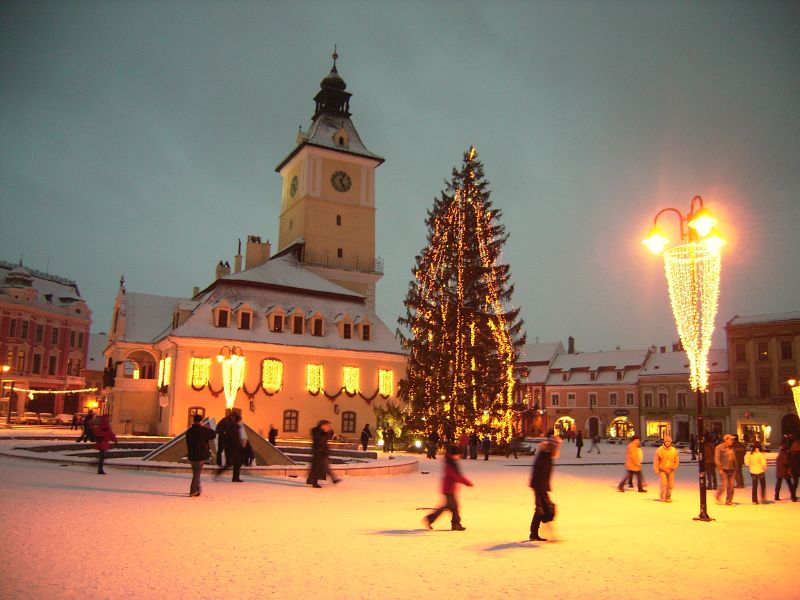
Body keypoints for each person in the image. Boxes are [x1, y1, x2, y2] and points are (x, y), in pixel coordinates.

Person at [423, 444, 473, 531]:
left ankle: (453, 523)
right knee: (453, 507)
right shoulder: (450, 463)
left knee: (452, 507)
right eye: (459, 454)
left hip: (449, 488)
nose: (460, 456)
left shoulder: (451, 461)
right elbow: (456, 476)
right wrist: (466, 482)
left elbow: (456, 475)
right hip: (449, 489)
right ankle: (453, 524)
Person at [529, 431, 561, 542]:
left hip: (540, 486)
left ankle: (535, 533)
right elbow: (539, 472)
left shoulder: (547, 454)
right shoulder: (545, 455)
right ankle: (534, 533)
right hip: (539, 486)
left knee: (542, 508)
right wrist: (541, 488)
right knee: (541, 509)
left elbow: (544, 473)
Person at [185, 414, 216, 497]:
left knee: (196, 472)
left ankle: (198, 489)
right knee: (197, 474)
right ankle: (192, 491)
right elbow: (213, 435)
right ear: (201, 421)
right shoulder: (204, 430)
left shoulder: (189, 431)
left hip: (192, 455)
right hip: (201, 455)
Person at [307, 420, 340, 488]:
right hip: (318, 452)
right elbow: (318, 440)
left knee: (321, 467)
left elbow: (329, 437)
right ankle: (333, 479)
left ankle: (332, 479)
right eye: (327, 425)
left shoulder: (323, 432)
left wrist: (330, 430)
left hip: (323, 452)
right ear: (322, 425)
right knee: (320, 467)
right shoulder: (316, 431)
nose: (328, 427)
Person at [216, 412, 246, 482]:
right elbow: (234, 437)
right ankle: (235, 477)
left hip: (230, 446)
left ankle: (234, 477)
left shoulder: (229, 423)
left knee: (234, 462)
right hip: (233, 446)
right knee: (235, 462)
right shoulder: (233, 425)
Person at [653, 435, 679, 502]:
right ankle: (662, 496)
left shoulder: (673, 450)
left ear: (671, 442)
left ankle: (668, 497)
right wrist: (656, 469)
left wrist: (673, 467)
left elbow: (676, 461)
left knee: (670, 485)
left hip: (671, 470)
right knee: (663, 483)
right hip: (662, 470)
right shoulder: (659, 450)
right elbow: (656, 461)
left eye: (669, 441)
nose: (667, 443)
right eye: (666, 441)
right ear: (664, 442)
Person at [714, 434, 738, 506]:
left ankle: (729, 501)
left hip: (732, 469)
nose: (732, 441)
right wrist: (719, 468)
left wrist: (736, 467)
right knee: (724, 485)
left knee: (731, 486)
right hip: (723, 469)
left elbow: (734, 458)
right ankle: (718, 495)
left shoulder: (732, 448)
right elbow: (716, 458)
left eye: (732, 440)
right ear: (726, 439)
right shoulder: (719, 447)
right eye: (731, 440)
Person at [789, 435, 800, 502]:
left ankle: (793, 496)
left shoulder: (791, 452)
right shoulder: (797, 453)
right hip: (797, 469)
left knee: (795, 483)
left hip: (794, 469)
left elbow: (790, 461)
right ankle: (793, 496)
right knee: (795, 483)